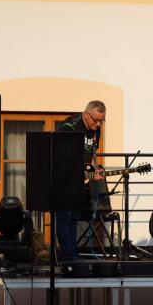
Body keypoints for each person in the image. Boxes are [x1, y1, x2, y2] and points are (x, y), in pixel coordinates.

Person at [56, 100, 106, 261]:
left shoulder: (96, 129)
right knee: (64, 217)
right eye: (95, 120)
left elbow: (92, 153)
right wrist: (85, 169)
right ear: (86, 114)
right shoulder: (70, 127)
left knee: (74, 218)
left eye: (102, 120)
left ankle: (72, 253)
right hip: (63, 178)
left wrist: (94, 168)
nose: (98, 124)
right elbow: (63, 156)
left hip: (79, 179)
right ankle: (68, 255)